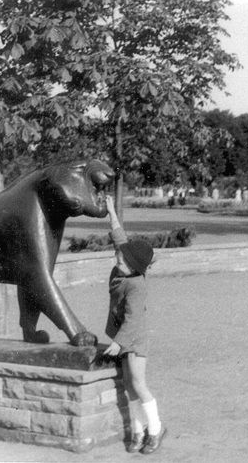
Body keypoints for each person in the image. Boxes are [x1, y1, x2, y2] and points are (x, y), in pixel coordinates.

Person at [103, 195, 166, 455]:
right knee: (128, 385)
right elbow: (120, 238)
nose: (117, 261)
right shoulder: (125, 266)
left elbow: (134, 320)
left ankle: (155, 430)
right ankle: (138, 432)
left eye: (122, 261)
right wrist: (111, 211)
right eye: (118, 257)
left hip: (134, 337)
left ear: (135, 268)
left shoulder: (136, 285)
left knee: (138, 383)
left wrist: (118, 343)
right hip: (124, 335)